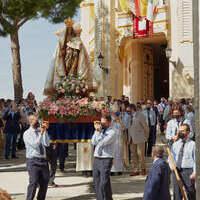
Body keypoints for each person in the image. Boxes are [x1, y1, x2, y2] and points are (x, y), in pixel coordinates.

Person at [23, 115, 50, 200]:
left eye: (38, 120)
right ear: (30, 121)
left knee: (45, 183)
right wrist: (41, 134)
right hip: (33, 160)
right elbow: (35, 144)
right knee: (33, 183)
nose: (38, 122)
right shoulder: (27, 133)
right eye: (36, 120)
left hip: (43, 160)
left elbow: (47, 144)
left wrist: (44, 132)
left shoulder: (40, 131)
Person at [92, 115, 117, 200]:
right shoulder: (99, 131)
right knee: (97, 181)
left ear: (109, 123)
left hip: (106, 158)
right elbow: (93, 142)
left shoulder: (112, 132)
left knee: (104, 182)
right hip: (97, 158)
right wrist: (96, 131)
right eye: (101, 122)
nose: (102, 124)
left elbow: (103, 142)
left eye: (104, 123)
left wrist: (99, 132)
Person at [170, 124, 196, 200]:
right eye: (179, 130)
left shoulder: (193, 144)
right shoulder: (175, 144)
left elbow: (196, 160)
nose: (180, 132)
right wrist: (172, 166)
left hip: (188, 171)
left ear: (188, 132)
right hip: (176, 170)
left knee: (190, 192)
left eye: (183, 131)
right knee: (177, 193)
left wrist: (195, 172)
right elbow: (171, 157)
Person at [127, 104, 149, 176]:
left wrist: (146, 137)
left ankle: (143, 169)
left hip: (140, 139)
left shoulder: (141, 116)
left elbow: (146, 127)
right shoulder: (129, 117)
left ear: (132, 109)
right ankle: (136, 170)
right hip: (131, 139)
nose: (128, 111)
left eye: (128, 110)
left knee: (141, 155)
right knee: (134, 155)